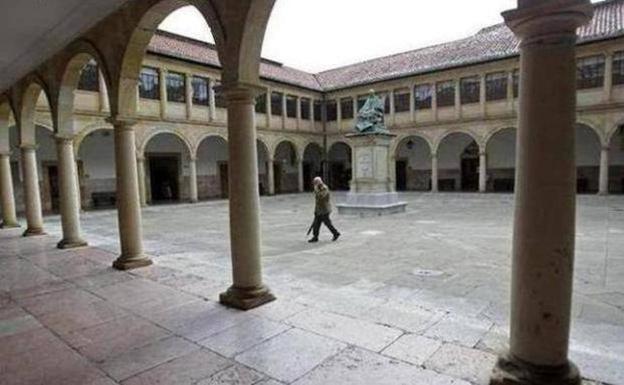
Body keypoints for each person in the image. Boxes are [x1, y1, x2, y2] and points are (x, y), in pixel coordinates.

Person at [309, 177, 340, 243]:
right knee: (316, 224)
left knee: (328, 223)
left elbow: (321, 197)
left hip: (324, 210)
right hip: (318, 210)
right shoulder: (318, 188)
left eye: (315, 183)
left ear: (319, 182)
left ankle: (336, 233)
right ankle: (315, 237)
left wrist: (316, 190)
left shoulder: (324, 188)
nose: (315, 184)